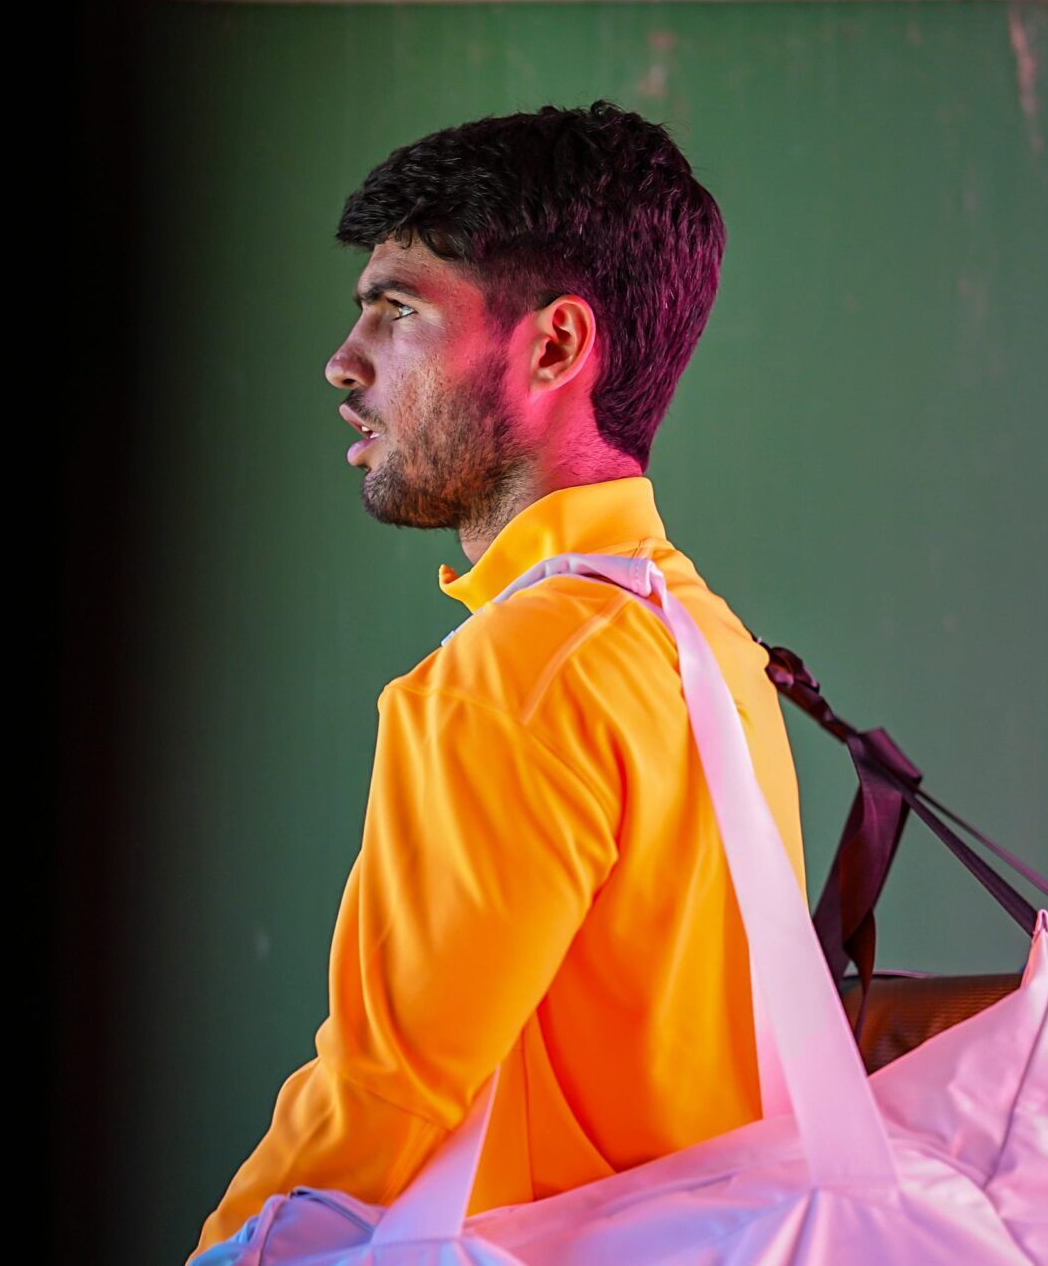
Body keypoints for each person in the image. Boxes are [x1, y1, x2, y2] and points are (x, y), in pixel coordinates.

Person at [190, 99, 805, 1260]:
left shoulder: (513, 677)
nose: (344, 359)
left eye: (398, 309)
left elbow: (384, 1097)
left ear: (555, 347)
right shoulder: (707, 643)